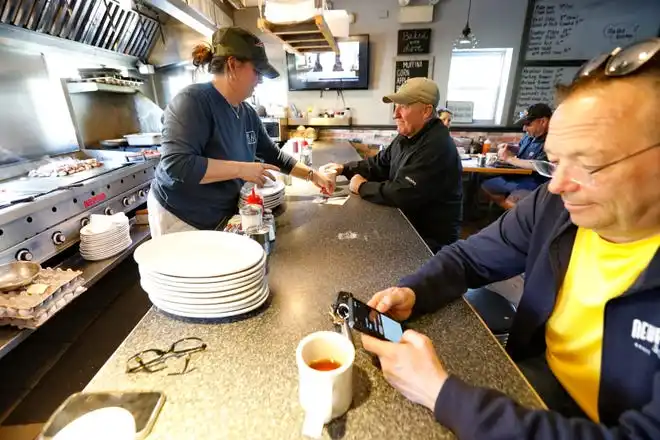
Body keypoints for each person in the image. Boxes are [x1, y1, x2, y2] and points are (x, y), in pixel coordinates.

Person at [360, 37, 660, 439]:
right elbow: (468, 258)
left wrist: (439, 392)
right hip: (538, 381)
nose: (558, 186)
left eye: (589, 163)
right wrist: (412, 291)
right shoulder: (552, 208)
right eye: (554, 162)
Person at [148, 27, 333, 236]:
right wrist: (241, 169)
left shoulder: (247, 113)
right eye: (257, 72)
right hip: (181, 216)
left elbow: (275, 156)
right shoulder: (192, 101)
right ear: (233, 65)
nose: (260, 80)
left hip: (219, 216)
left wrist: (313, 175)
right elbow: (176, 164)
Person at [322, 78, 463, 252]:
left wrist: (362, 187)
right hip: (408, 227)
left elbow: (403, 193)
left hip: (429, 244)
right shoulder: (408, 136)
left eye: (403, 106)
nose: (395, 114)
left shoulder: (436, 146)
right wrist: (345, 168)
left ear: (426, 111)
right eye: (395, 106)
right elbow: (379, 164)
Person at [480, 103, 552, 198]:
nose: (524, 128)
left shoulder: (552, 140)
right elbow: (523, 150)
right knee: (484, 182)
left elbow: (538, 165)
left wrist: (508, 158)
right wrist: (510, 147)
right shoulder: (530, 135)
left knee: (510, 198)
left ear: (543, 121)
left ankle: (519, 210)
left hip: (536, 182)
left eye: (528, 124)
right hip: (519, 176)